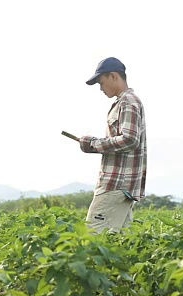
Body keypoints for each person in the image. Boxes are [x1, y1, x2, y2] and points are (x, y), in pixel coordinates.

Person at [78, 57, 147, 233]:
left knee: (93, 235)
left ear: (113, 76)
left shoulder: (128, 102)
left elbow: (130, 139)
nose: (101, 89)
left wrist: (93, 144)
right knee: (120, 241)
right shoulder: (126, 102)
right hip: (122, 187)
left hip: (115, 184)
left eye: (101, 83)